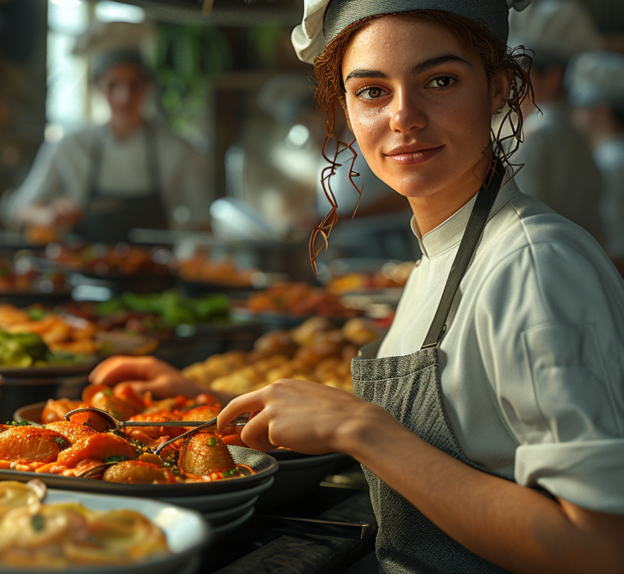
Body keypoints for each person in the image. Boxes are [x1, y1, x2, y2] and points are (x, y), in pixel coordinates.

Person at [92, 0, 624, 571]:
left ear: (498, 89)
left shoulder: (533, 265)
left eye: (439, 80)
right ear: (344, 105)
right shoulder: (443, 253)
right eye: (372, 90)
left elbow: (599, 547)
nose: (404, 116)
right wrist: (206, 402)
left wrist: (363, 429)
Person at [7, 21, 213, 244]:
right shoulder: (70, 146)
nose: (124, 97)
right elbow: (20, 208)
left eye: (133, 84)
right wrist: (48, 215)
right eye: (113, 85)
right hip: (83, 271)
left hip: (156, 274)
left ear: (147, 86)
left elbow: (203, 225)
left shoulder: (179, 150)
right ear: (97, 88)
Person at [506, 0, 605, 242]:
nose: (510, 83)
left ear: (553, 77)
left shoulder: (535, 137)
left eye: (521, 70)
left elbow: (519, 230)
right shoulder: (578, 134)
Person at [566, 50, 624, 264]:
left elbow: (616, 245)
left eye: (580, 107)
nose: (574, 115)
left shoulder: (609, 161)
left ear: (601, 111)